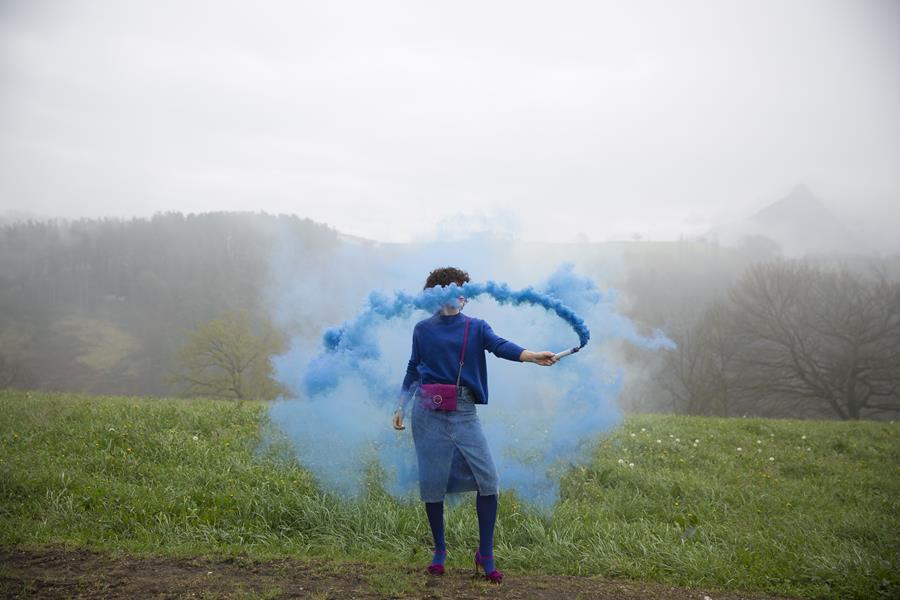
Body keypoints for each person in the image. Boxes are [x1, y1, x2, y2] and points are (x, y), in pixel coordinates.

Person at [392, 266, 558, 583]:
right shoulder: (422, 329)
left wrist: (532, 355)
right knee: (432, 482)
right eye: (453, 288)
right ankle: (439, 551)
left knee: (488, 480)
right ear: (438, 294)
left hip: (464, 411)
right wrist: (401, 404)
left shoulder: (477, 327)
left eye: (463, 289)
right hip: (426, 411)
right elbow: (414, 368)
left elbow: (500, 345)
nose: (461, 294)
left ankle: (486, 554)